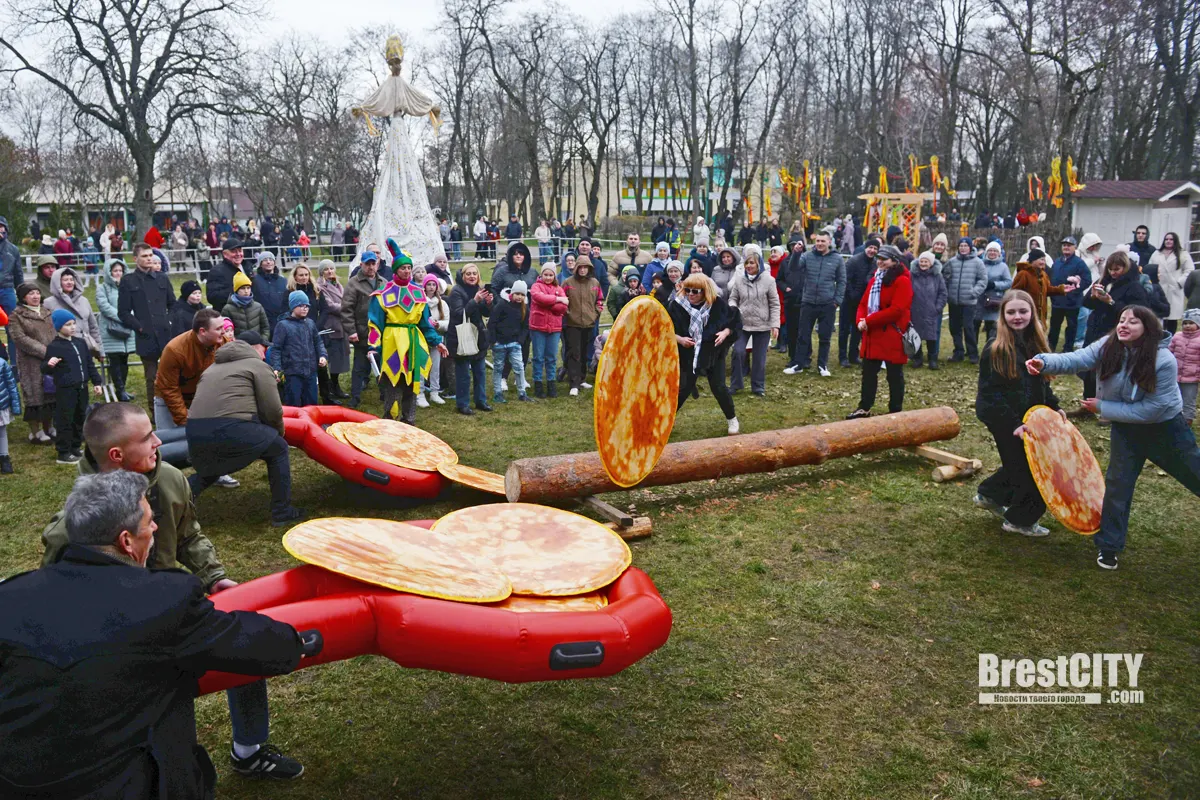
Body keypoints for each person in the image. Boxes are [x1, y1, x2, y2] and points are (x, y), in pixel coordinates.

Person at [23, 470, 314, 796]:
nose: (157, 528)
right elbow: (240, 640)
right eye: (149, 523)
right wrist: (297, 643)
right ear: (126, 541)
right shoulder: (162, 602)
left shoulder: (14, 596)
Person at [1028, 306, 1200, 569]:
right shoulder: (1109, 345)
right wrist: (1044, 362)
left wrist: (1103, 408)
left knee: (1194, 474)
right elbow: (1078, 358)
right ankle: (1109, 546)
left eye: (1133, 322)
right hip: (1126, 431)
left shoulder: (1163, 359)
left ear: (1148, 328)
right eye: (1122, 320)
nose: (1124, 325)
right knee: (1118, 487)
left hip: (1166, 431)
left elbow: (1155, 409)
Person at [187, 331, 304, 524]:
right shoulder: (258, 366)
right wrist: (278, 433)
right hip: (230, 427)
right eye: (263, 348)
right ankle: (282, 511)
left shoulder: (211, 368)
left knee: (212, 466)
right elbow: (272, 409)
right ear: (253, 348)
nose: (265, 353)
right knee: (278, 448)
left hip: (195, 429)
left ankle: (173, 501)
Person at [972, 290, 1063, 536]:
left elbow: (1042, 384)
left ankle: (990, 495)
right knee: (1033, 469)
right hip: (1001, 415)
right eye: (1011, 312)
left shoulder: (1035, 343)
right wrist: (1013, 424)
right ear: (1003, 316)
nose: (1017, 316)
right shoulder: (997, 348)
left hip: (1027, 416)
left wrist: (1054, 407)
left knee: (1019, 464)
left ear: (1032, 313)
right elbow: (990, 393)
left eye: (1023, 311)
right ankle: (1020, 520)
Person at [366, 245, 446, 423]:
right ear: (396, 269)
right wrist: (373, 347)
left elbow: (425, 323)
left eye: (409, 268)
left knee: (412, 383)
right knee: (393, 382)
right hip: (392, 342)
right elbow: (375, 324)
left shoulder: (418, 294)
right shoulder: (383, 294)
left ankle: (409, 419)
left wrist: (436, 341)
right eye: (403, 268)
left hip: (413, 342)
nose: (407, 271)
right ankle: (390, 420)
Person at [670, 274, 742, 435]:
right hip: (688, 355)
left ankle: (732, 419)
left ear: (705, 291)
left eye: (695, 291)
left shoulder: (717, 304)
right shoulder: (676, 305)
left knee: (719, 387)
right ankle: (663, 422)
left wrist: (725, 332)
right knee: (682, 390)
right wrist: (680, 339)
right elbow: (663, 329)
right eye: (687, 290)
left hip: (713, 353)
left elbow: (734, 321)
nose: (690, 294)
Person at [847, 245, 913, 418]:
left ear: (894, 261)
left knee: (894, 374)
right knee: (868, 373)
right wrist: (860, 320)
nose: (880, 262)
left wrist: (868, 321)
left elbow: (897, 310)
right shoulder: (875, 279)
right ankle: (864, 407)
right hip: (873, 334)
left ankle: (895, 410)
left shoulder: (902, 281)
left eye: (885, 259)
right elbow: (863, 303)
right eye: (879, 258)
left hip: (892, 334)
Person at [118, 242, 177, 411]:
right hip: (146, 336)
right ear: (135, 259)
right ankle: (155, 411)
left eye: (151, 255)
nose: (149, 259)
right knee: (151, 378)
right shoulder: (128, 281)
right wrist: (139, 327)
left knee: (171, 374)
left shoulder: (162, 278)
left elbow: (173, 304)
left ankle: (174, 407)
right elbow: (123, 312)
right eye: (145, 256)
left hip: (165, 333)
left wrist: (169, 321)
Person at [41, 310, 104, 464]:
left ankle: (75, 447)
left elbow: (89, 364)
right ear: (58, 327)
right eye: (67, 325)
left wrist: (97, 382)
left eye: (73, 323)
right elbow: (45, 367)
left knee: (79, 417)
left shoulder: (80, 343)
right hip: (65, 390)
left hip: (81, 387)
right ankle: (63, 452)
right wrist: (49, 364)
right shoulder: (54, 346)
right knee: (65, 420)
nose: (72, 327)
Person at [784, 231, 845, 377]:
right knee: (803, 335)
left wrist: (837, 301)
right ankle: (799, 364)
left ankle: (822, 365)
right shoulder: (807, 256)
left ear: (829, 242)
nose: (819, 244)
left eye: (823, 241)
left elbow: (842, 281)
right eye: (817, 241)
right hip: (808, 302)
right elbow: (793, 268)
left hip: (827, 303)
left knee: (825, 337)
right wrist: (796, 253)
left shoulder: (837, 259)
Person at [727, 248, 779, 396]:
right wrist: (733, 308)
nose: (749, 266)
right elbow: (733, 298)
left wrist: (775, 325)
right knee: (737, 352)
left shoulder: (769, 280)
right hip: (742, 324)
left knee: (759, 357)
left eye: (752, 263)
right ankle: (736, 385)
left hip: (762, 325)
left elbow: (774, 303)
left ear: (759, 265)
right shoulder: (739, 280)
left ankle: (758, 387)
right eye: (747, 263)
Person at [9, 283, 56, 443]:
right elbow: (20, 338)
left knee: (50, 393)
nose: (35, 296)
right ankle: (36, 431)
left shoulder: (47, 312)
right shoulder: (16, 315)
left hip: (50, 361)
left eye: (37, 293)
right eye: (31, 294)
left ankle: (48, 427)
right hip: (30, 363)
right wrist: (45, 351)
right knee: (34, 396)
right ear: (23, 297)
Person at [446, 263, 493, 414]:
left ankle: (481, 401)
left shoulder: (480, 290)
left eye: (474, 274)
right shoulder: (456, 291)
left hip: (478, 336)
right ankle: (463, 404)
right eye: (468, 274)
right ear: (463, 275)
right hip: (461, 336)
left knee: (480, 372)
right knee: (464, 374)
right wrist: (475, 300)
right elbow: (460, 313)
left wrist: (489, 303)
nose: (472, 276)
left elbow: (485, 313)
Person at [342, 250, 386, 407]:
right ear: (361, 264)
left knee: (383, 365)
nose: (370, 267)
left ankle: (385, 394)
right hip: (362, 333)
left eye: (373, 263)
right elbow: (346, 309)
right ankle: (355, 397)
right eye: (367, 264)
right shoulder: (353, 283)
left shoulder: (384, 283)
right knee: (359, 367)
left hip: (381, 334)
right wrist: (351, 331)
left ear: (377, 264)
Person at [270, 291, 328, 407]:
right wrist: (277, 368)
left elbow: (318, 342)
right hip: (292, 372)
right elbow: (276, 349)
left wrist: (322, 355)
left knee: (311, 403)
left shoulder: (310, 323)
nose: (304, 308)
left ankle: (311, 424)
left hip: (310, 371)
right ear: (292, 306)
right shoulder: (283, 325)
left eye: (306, 306)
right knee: (294, 403)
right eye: (300, 305)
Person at [944, 237, 988, 363]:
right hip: (954, 301)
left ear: (970, 248)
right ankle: (958, 352)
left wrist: (974, 292)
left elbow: (983, 280)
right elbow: (945, 278)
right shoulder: (952, 262)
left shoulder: (978, 263)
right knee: (955, 328)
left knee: (969, 328)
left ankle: (973, 354)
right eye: (961, 246)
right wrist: (948, 294)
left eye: (965, 246)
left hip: (969, 302)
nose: (963, 248)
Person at [563, 255, 603, 397]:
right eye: (581, 267)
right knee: (574, 352)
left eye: (586, 267)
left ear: (589, 268)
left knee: (586, 351)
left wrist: (595, 313)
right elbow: (562, 300)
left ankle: (582, 378)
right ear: (576, 268)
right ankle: (573, 383)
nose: (583, 270)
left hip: (589, 323)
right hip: (572, 324)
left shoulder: (595, 283)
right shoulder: (568, 282)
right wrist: (568, 314)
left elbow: (600, 300)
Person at [488, 279, 533, 403]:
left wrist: (520, 341)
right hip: (500, 343)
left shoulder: (525, 309)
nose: (519, 297)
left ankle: (522, 392)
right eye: (517, 294)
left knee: (519, 367)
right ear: (512, 293)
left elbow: (525, 326)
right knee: (498, 368)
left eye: (522, 295)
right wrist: (493, 341)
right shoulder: (502, 305)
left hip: (515, 344)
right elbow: (492, 323)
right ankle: (498, 393)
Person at [44, 266, 103, 358]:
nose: (69, 282)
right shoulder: (48, 303)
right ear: (57, 283)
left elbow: (93, 327)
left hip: (85, 348)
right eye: (65, 280)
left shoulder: (84, 300)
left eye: (71, 279)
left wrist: (100, 350)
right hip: (62, 351)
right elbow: (47, 330)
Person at [1011, 248, 1079, 327]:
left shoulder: (1043, 274)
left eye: (1044, 260)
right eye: (1041, 260)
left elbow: (1048, 289)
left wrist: (1061, 289)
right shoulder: (1023, 274)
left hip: (1040, 315)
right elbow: (1015, 293)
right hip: (1026, 313)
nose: (1043, 262)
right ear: (1033, 260)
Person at [1047, 236, 1093, 351]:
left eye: (1069, 245)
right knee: (1054, 326)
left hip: (1072, 303)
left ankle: (1067, 349)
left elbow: (1087, 280)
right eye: (1064, 245)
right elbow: (1051, 278)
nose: (1066, 247)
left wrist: (1075, 290)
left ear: (1075, 247)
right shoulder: (1057, 262)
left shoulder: (1079, 263)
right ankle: (1050, 347)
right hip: (1057, 302)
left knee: (1071, 327)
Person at [530, 263, 567, 398]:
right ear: (541, 274)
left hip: (555, 327)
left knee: (551, 357)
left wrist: (550, 304)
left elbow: (563, 307)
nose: (548, 277)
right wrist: (556, 299)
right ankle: (538, 383)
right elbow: (539, 298)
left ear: (554, 275)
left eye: (551, 275)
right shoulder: (536, 286)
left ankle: (551, 383)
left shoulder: (559, 288)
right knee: (538, 357)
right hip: (538, 327)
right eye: (545, 274)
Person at [909, 251, 948, 369]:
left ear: (931, 263)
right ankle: (917, 358)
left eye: (926, 261)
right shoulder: (912, 275)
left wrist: (938, 307)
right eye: (921, 261)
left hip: (932, 311)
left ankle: (932, 359)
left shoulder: (937, 276)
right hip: (915, 310)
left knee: (932, 336)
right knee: (916, 336)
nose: (923, 263)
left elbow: (943, 293)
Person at [1150, 232, 1195, 334]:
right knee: (1158, 316)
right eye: (1166, 239)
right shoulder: (1157, 253)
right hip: (1159, 288)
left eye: (1171, 239)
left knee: (1172, 317)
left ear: (1175, 241)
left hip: (1174, 289)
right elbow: (1150, 268)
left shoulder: (1183, 254)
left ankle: (1171, 337)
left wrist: (1179, 282)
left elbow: (1189, 270)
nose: (1168, 241)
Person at [420, 275, 450, 406]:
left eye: (434, 284)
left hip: (437, 338)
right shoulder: (420, 301)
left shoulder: (442, 304)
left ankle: (434, 392)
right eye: (429, 284)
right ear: (424, 286)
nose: (431, 287)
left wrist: (439, 324)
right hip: (422, 339)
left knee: (435, 367)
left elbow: (448, 322)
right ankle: (419, 393)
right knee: (421, 366)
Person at [976, 241, 1013, 344]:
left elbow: (1008, 282)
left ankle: (990, 347)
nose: (992, 253)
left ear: (999, 253)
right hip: (979, 299)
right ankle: (972, 350)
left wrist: (995, 285)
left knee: (991, 326)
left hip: (994, 300)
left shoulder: (1003, 267)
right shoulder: (980, 264)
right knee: (975, 324)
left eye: (995, 251)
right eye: (990, 250)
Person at [1170, 309, 1200, 425]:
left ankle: (1187, 421)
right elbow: (1170, 351)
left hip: (1191, 377)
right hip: (1175, 375)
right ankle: (1173, 418)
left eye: (1191, 323)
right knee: (1173, 397)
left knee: (1188, 400)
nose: (1187, 326)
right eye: (1185, 323)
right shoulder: (1177, 337)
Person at [223, 270, 271, 341]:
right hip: (238, 346)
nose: (246, 291)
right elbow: (225, 329)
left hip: (257, 345)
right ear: (236, 290)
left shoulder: (258, 306)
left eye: (248, 288)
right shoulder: (227, 309)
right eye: (242, 288)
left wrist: (262, 342)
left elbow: (265, 328)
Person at [251, 250, 289, 337]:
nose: (268, 262)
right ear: (260, 263)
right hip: (263, 324)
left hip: (281, 323)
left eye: (270, 259)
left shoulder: (283, 281)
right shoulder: (254, 281)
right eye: (265, 260)